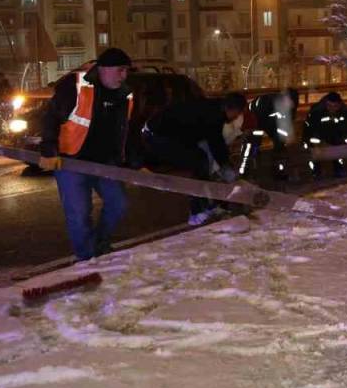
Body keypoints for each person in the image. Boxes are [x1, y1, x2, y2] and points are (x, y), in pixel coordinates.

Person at [37, 48, 136, 260]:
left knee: (118, 204)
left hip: (104, 163)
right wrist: (49, 149)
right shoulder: (75, 86)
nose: (124, 76)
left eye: (126, 71)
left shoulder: (124, 94)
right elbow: (50, 118)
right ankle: (87, 258)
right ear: (103, 69)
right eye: (120, 70)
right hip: (72, 162)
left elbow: (127, 130)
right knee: (79, 214)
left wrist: (136, 163)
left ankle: (99, 244)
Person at [143, 92, 248, 226]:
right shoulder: (213, 115)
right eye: (237, 114)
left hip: (168, 135)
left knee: (202, 160)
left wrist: (224, 165)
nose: (236, 118)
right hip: (157, 137)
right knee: (198, 162)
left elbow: (215, 143)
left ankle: (208, 205)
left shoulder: (215, 109)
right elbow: (216, 143)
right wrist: (226, 168)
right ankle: (197, 213)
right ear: (232, 109)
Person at [302, 91, 347, 179]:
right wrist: (318, 144)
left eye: (335, 106)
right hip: (316, 135)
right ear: (326, 104)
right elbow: (312, 130)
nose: (332, 109)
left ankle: (339, 169)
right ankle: (316, 171)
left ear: (339, 105)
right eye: (330, 106)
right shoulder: (317, 111)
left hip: (333, 134)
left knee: (338, 147)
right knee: (314, 152)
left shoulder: (344, 111)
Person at [251, 87, 300, 180]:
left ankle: (279, 171)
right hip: (257, 119)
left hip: (273, 122)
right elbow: (259, 121)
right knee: (254, 143)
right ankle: (253, 169)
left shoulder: (292, 104)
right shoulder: (266, 101)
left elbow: (288, 121)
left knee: (280, 144)